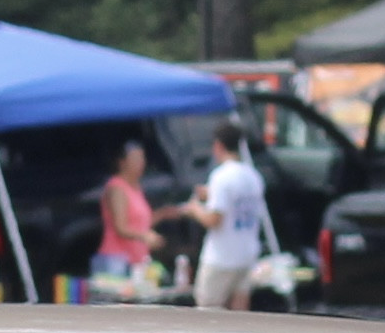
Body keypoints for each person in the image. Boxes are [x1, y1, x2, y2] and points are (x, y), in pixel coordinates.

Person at [175, 119, 270, 312]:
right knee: (240, 310)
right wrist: (210, 194)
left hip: (221, 257)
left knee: (208, 310)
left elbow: (214, 220)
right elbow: (237, 203)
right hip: (246, 254)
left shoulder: (221, 176)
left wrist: (194, 209)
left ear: (218, 145)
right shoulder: (253, 176)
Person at [86, 138, 162, 303]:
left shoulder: (137, 187)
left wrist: (165, 214)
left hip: (137, 260)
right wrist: (144, 236)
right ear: (122, 162)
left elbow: (141, 222)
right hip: (116, 261)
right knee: (116, 309)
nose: (141, 163)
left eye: (142, 158)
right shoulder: (116, 188)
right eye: (135, 159)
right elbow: (120, 227)